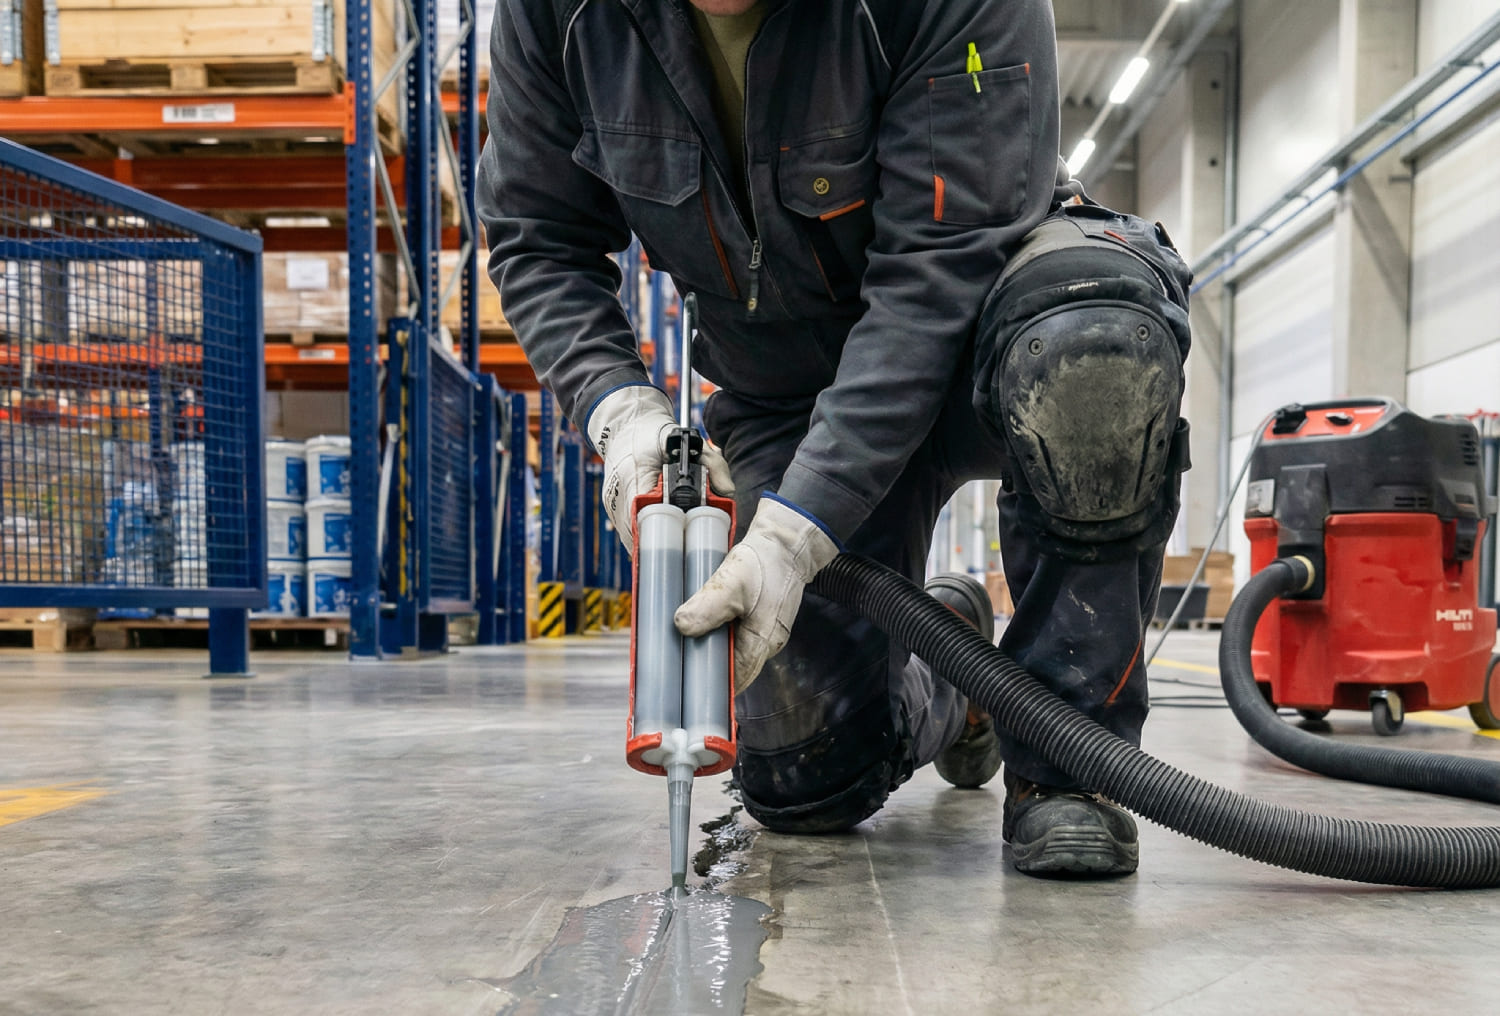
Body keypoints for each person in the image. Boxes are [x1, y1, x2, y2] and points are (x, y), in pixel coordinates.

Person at [479, 0, 1192, 878]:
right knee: (803, 779)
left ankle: (1071, 769)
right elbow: (536, 237)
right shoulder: (557, 12)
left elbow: (936, 278)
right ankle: (960, 669)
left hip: (980, 317)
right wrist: (620, 410)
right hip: (787, 385)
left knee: (1094, 342)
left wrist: (795, 526)